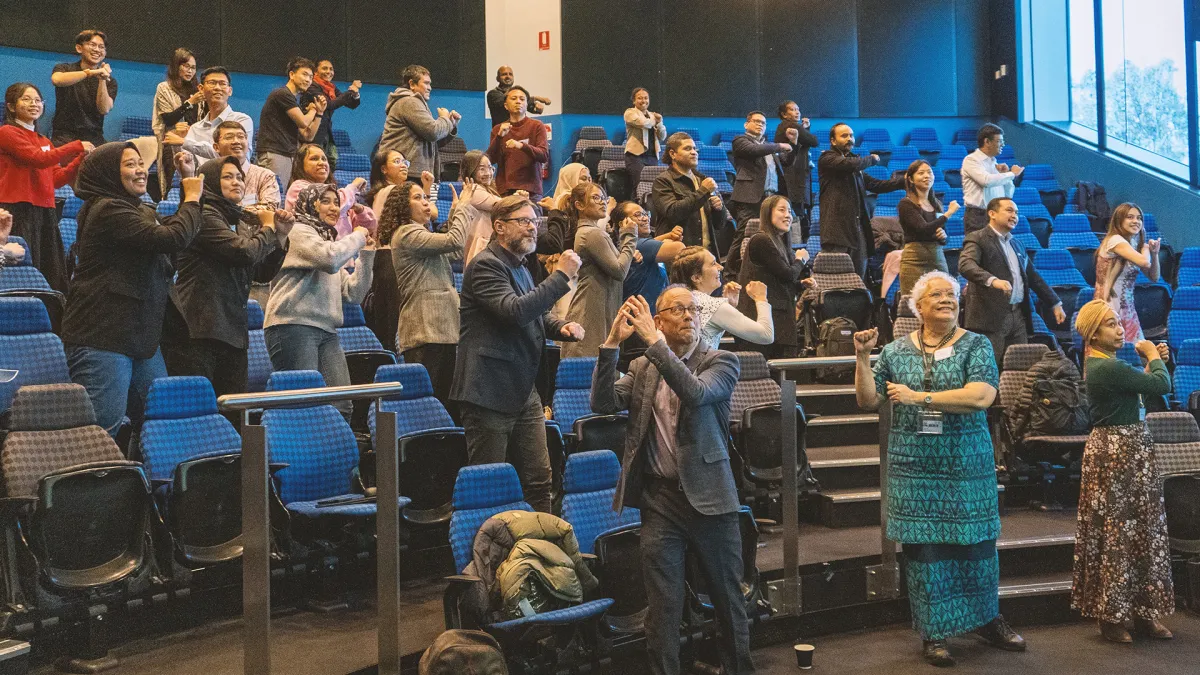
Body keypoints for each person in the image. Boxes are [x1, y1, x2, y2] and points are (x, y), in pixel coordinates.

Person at [853, 271, 1025, 667]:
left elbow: (981, 396)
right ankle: (934, 633)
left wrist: (920, 397)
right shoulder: (895, 351)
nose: (947, 299)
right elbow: (868, 400)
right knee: (926, 552)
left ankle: (987, 619)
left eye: (951, 294)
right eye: (937, 295)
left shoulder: (976, 345)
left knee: (977, 546)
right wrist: (862, 358)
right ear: (918, 306)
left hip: (966, 465)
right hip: (914, 468)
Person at [591, 289, 754, 675]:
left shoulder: (721, 361)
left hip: (711, 499)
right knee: (662, 607)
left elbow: (695, 393)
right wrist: (611, 344)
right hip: (661, 501)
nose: (689, 315)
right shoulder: (642, 367)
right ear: (659, 320)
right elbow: (602, 404)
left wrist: (654, 344)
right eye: (678, 309)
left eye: (693, 309)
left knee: (728, 601)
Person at [450, 195, 583, 513]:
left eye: (534, 221)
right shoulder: (485, 265)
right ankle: (488, 543)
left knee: (540, 479)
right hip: (488, 392)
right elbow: (514, 311)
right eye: (523, 221)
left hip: (523, 390)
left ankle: (541, 539)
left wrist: (559, 326)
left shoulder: (521, 266)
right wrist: (561, 277)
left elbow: (534, 312)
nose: (532, 227)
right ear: (499, 227)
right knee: (490, 484)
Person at [61, 142, 203, 436]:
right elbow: (172, 237)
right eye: (129, 164)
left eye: (141, 163)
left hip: (140, 336)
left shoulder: (137, 209)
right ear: (108, 172)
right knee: (102, 429)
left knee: (163, 419)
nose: (140, 171)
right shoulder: (108, 209)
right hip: (103, 337)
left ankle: (145, 467)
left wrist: (187, 182)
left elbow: (174, 237)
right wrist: (190, 198)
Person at [1072, 299, 1175, 643]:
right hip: (1116, 452)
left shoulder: (1111, 365)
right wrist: (1153, 356)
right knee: (1116, 532)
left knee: (1141, 530)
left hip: (1132, 449)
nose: (1119, 330)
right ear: (1092, 334)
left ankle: (1145, 612)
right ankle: (1111, 616)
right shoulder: (1105, 367)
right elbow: (1161, 386)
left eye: (1118, 323)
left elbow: (1139, 390)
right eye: (1110, 324)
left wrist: (1153, 363)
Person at [161, 156, 289, 397]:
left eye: (240, 177)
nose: (237, 182)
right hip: (198, 333)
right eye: (228, 177)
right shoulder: (203, 215)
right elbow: (244, 252)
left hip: (231, 333)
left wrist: (280, 237)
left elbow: (260, 273)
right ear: (210, 182)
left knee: (234, 411)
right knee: (198, 410)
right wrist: (268, 228)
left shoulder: (237, 220)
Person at [263, 183, 375, 419]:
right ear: (309, 204)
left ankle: (336, 444)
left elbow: (353, 294)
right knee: (303, 406)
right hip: (293, 326)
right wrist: (357, 236)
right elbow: (330, 259)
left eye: (336, 202)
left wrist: (366, 257)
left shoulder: (326, 241)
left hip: (327, 330)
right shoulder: (297, 231)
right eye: (326, 201)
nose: (334, 208)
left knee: (342, 405)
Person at [379, 181, 469, 407]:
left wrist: (454, 212)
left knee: (444, 401)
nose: (425, 203)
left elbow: (456, 250)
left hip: (442, 327)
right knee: (427, 403)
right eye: (417, 198)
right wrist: (462, 208)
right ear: (403, 205)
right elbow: (455, 240)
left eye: (426, 197)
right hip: (425, 328)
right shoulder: (406, 232)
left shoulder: (422, 234)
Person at [0, 82, 92, 291]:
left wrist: (79, 159)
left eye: (38, 100)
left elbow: (56, 179)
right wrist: (76, 145)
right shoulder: (7, 132)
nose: (34, 104)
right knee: (22, 268)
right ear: (11, 106)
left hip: (45, 212)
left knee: (50, 268)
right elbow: (37, 158)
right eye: (26, 99)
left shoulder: (44, 141)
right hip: (17, 209)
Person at [958, 197, 1065, 368]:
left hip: (1018, 316)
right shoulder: (977, 238)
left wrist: (1055, 302)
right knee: (987, 371)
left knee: (1019, 371)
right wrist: (992, 281)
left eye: (1016, 212)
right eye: (1009, 210)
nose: (1014, 215)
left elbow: (1033, 277)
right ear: (992, 213)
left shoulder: (1017, 244)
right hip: (989, 318)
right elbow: (966, 265)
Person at [817, 123, 905, 279]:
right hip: (837, 232)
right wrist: (872, 159)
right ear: (833, 141)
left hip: (858, 231)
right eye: (844, 136)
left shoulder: (853, 163)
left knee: (859, 278)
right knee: (837, 280)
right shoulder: (827, 158)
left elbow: (875, 185)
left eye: (851, 135)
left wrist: (903, 182)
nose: (849, 139)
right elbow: (850, 165)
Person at [560, 183, 637, 359]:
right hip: (591, 312)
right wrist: (630, 236)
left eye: (603, 198)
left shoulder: (591, 232)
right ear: (579, 205)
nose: (602, 202)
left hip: (597, 308)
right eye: (596, 198)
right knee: (593, 368)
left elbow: (616, 264)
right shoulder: (592, 234)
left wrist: (627, 251)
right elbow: (619, 271)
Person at [735, 195, 812, 359]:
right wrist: (801, 260)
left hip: (780, 320)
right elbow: (787, 274)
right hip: (762, 322)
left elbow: (776, 281)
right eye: (782, 210)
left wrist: (800, 284)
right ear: (768, 213)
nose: (788, 215)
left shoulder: (779, 242)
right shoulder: (761, 239)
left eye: (789, 211)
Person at [614, 202, 684, 368]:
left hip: (646, 325)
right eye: (637, 215)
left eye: (645, 214)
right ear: (623, 224)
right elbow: (679, 248)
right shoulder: (638, 245)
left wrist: (665, 237)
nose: (645, 218)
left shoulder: (635, 246)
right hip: (639, 330)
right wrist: (667, 239)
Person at [726, 111, 795, 276]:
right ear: (746, 124)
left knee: (773, 235)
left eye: (763, 123)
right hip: (750, 197)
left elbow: (787, 161)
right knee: (743, 234)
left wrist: (793, 144)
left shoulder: (768, 147)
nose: (760, 125)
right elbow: (754, 150)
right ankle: (730, 273)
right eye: (756, 121)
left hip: (771, 198)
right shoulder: (740, 140)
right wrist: (780, 146)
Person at [669, 246, 773, 351]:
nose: (721, 267)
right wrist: (761, 298)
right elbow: (766, 335)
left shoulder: (673, 300)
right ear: (696, 277)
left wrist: (729, 306)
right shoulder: (712, 305)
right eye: (713, 264)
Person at [651, 132, 730, 257]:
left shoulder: (703, 180)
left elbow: (720, 225)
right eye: (687, 149)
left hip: (706, 253)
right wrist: (703, 191)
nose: (694, 152)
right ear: (672, 154)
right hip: (679, 256)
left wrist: (719, 209)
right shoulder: (663, 181)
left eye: (694, 148)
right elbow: (673, 212)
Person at [1094, 203, 1161, 344]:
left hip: (1127, 309)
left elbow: (1154, 277)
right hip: (1108, 306)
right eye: (1130, 217)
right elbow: (1144, 261)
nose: (1136, 221)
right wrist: (1146, 248)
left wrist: (1154, 254)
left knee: (1135, 352)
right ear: (1119, 220)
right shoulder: (1115, 240)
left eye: (1139, 218)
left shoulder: (1133, 244)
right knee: (1113, 351)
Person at [381, 65, 461, 178]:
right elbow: (433, 132)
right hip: (405, 173)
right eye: (426, 83)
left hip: (413, 172)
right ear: (412, 84)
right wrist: (444, 118)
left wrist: (451, 125)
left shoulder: (414, 102)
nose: (430, 88)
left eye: (430, 84)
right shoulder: (409, 102)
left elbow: (433, 142)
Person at [256, 57, 326, 185]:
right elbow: (303, 122)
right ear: (292, 74)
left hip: (288, 154)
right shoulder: (282, 94)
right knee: (272, 194)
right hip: (275, 153)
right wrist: (313, 110)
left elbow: (308, 136)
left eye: (311, 77)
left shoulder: (293, 101)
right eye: (305, 74)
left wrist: (319, 113)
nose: (308, 80)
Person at [284, 144, 376, 238]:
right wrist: (354, 187)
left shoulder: (342, 196)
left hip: (346, 246)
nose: (322, 163)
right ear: (301, 165)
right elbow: (336, 204)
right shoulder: (298, 187)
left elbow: (369, 227)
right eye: (314, 159)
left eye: (324, 159)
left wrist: (360, 209)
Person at [897, 160, 959, 295]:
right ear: (911, 179)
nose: (926, 176)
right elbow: (923, 229)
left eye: (929, 172)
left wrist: (944, 237)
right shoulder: (905, 204)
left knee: (943, 296)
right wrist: (948, 214)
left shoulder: (937, 204)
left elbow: (944, 235)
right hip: (914, 259)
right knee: (912, 301)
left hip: (936, 256)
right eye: (921, 173)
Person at [50, 30, 117, 147]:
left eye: (101, 47)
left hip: (94, 138)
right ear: (79, 48)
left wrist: (102, 79)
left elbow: (104, 109)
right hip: (64, 137)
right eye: (92, 45)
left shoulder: (110, 81)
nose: (97, 50)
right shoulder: (64, 68)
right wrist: (90, 73)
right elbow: (57, 80)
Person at [151, 48, 202, 200]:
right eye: (186, 66)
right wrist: (190, 102)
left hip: (193, 142)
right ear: (176, 66)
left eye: (193, 68)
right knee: (173, 186)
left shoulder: (198, 90)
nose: (190, 71)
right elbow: (168, 119)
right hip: (172, 144)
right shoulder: (164, 88)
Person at [178, 67, 254, 163]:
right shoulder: (195, 128)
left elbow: (239, 157)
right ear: (201, 89)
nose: (217, 88)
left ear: (230, 91)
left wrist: (185, 142)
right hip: (201, 173)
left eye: (222, 84)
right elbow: (187, 164)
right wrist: (177, 145)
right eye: (212, 83)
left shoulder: (241, 120)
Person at [487, 86, 549, 198]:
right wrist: (499, 137)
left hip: (531, 190)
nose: (518, 101)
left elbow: (543, 155)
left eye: (522, 99)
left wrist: (521, 145)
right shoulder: (498, 129)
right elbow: (490, 159)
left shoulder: (537, 126)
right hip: (505, 190)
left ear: (527, 104)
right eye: (514, 98)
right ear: (506, 106)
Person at [301, 58, 361, 172]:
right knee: (312, 167)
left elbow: (351, 104)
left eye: (331, 69)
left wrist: (355, 93)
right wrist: (350, 91)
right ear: (316, 72)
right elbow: (329, 105)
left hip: (326, 132)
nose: (329, 72)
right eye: (325, 68)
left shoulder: (331, 88)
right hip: (312, 133)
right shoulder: (312, 86)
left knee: (330, 164)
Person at [961, 124, 1022, 234]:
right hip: (977, 216)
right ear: (987, 142)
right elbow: (986, 181)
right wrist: (1012, 174)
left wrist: (1006, 175)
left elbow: (1007, 195)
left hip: (996, 215)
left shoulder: (994, 163)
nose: (1003, 144)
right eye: (999, 141)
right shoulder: (971, 160)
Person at [210, 120, 280, 210]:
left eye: (241, 137)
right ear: (216, 147)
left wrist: (232, 211)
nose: (236, 141)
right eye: (229, 137)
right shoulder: (210, 175)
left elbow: (269, 209)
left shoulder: (265, 176)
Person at [774, 101, 819, 241]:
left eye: (798, 109)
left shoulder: (786, 126)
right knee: (794, 212)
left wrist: (804, 129)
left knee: (797, 212)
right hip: (792, 176)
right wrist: (806, 129)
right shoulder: (791, 125)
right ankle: (795, 245)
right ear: (784, 114)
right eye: (793, 109)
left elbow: (803, 141)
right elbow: (813, 141)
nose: (797, 112)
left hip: (793, 174)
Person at [459, 150, 506, 265]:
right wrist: (519, 199)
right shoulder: (472, 190)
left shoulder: (487, 189)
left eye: (490, 168)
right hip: (480, 248)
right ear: (470, 171)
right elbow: (503, 205)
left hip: (488, 244)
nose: (488, 173)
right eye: (482, 169)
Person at [365, 146, 436, 218]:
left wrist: (427, 187)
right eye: (397, 161)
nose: (404, 165)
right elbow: (433, 213)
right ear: (384, 169)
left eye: (405, 162)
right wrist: (427, 191)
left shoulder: (381, 191)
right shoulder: (393, 191)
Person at [623, 87, 666, 181]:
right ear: (634, 101)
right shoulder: (630, 112)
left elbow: (662, 137)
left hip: (652, 156)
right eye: (640, 98)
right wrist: (655, 120)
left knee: (652, 185)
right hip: (635, 156)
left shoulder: (653, 116)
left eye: (646, 98)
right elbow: (644, 123)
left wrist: (660, 123)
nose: (643, 101)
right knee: (638, 185)